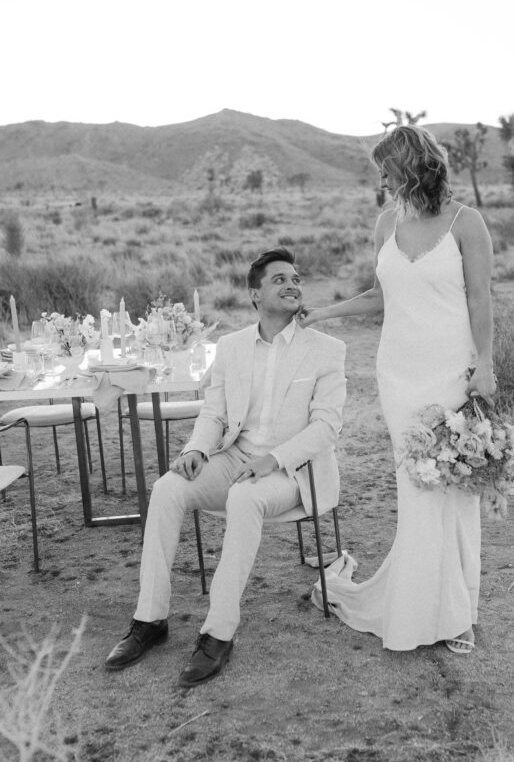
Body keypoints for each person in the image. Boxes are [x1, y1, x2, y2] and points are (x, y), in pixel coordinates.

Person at [105, 247, 346, 687]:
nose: (293, 285)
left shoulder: (327, 350)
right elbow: (214, 413)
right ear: (255, 295)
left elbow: (327, 428)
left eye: (296, 278)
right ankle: (150, 619)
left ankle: (218, 633)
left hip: (292, 470)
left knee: (244, 496)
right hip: (235, 458)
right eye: (279, 280)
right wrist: (197, 448)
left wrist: (272, 459)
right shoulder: (232, 347)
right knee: (167, 488)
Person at [300, 125, 495, 654]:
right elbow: (380, 295)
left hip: (451, 371)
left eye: (386, 169)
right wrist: (325, 312)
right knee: (416, 486)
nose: (381, 180)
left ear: (411, 166)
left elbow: (480, 300)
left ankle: (457, 611)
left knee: (454, 488)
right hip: (399, 374)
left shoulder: (466, 223)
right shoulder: (387, 222)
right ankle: (421, 607)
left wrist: (486, 364)